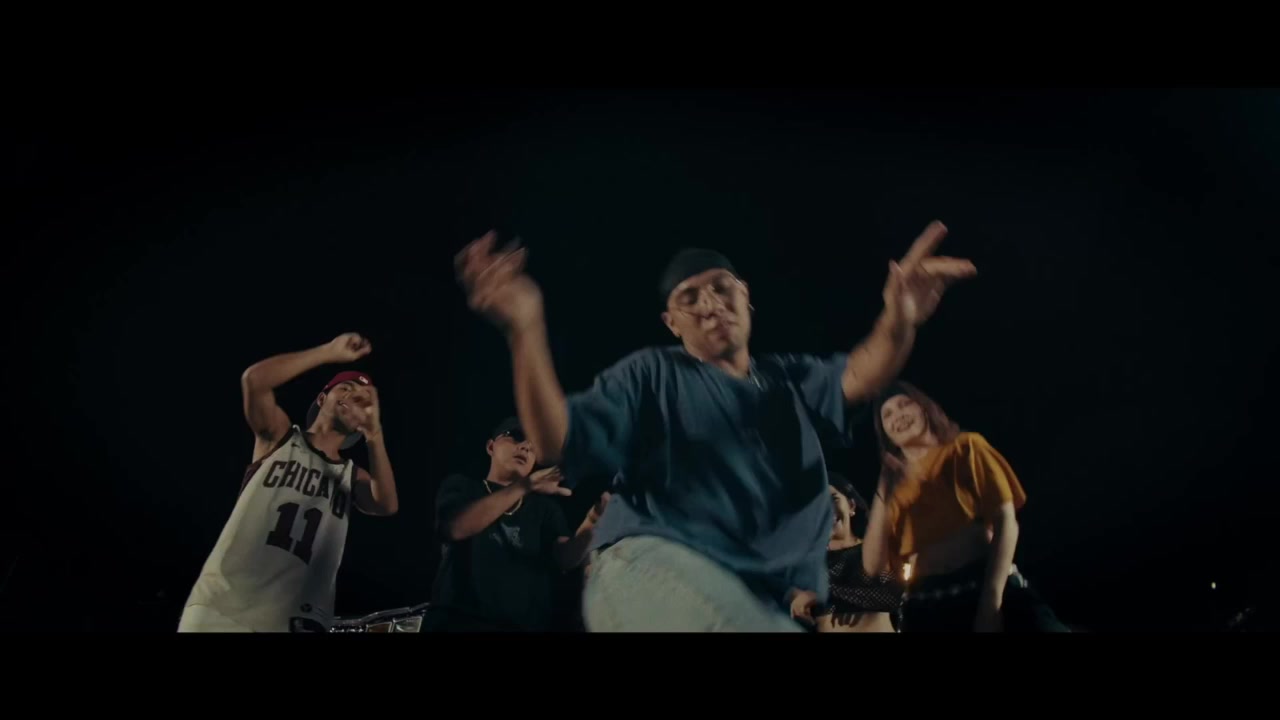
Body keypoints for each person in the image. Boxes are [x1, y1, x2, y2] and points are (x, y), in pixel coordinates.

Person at [455, 221, 975, 631]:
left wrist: (900, 316)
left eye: (722, 289)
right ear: (671, 322)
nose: (710, 305)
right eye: (690, 298)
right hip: (652, 567)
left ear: (745, 297)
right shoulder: (653, 375)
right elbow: (558, 440)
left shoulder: (791, 380)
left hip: (759, 596)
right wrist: (525, 329)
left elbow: (862, 372)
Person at [179, 333, 400, 632]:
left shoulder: (351, 475)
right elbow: (255, 381)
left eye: (362, 398)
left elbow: (387, 504)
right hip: (225, 607)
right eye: (345, 389)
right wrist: (327, 352)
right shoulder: (281, 437)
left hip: (294, 620)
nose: (353, 397)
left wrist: (374, 435)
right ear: (322, 398)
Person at [861, 381, 1067, 632]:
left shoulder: (965, 447)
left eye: (905, 404)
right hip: (927, 604)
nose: (898, 415)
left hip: (984, 581)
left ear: (925, 409)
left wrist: (991, 603)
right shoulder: (890, 491)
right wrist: (883, 487)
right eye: (888, 414)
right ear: (884, 431)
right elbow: (872, 567)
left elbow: (1006, 522)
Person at [424, 418, 606, 632]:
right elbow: (456, 528)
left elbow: (565, 558)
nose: (526, 446)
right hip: (457, 624)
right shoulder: (462, 487)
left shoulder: (545, 509)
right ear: (490, 447)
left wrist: (592, 522)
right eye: (516, 436)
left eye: (533, 447)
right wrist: (527, 485)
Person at [789, 474, 904, 632]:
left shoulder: (872, 552)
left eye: (833, 499)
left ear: (851, 506)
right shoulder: (807, 562)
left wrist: (823, 594)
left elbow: (893, 597)